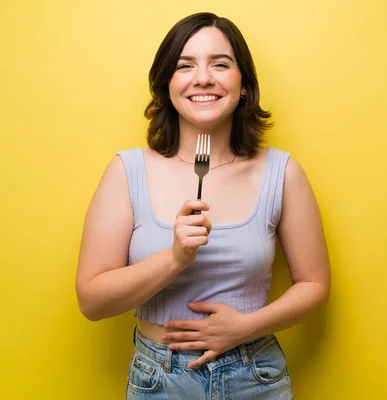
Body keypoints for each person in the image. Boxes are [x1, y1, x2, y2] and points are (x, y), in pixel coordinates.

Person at [75, 12, 330, 399]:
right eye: (185, 65)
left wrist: (247, 327)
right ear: (166, 86)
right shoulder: (126, 171)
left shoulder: (283, 172)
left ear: (243, 84)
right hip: (158, 379)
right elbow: (92, 302)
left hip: (254, 375)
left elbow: (314, 285)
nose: (203, 78)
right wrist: (175, 257)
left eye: (221, 64)